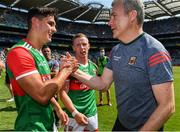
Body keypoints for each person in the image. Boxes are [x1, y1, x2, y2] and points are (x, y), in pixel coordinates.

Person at [71, 0, 175, 131]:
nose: (109, 22)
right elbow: (102, 84)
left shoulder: (154, 51)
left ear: (132, 16)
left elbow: (167, 106)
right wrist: (74, 70)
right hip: (121, 123)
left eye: (114, 16)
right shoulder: (116, 50)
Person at [6, 7, 77, 131]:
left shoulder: (39, 53)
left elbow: (46, 86)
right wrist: (66, 71)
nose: (54, 29)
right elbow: (42, 94)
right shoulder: (19, 52)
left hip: (47, 123)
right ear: (35, 22)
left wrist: (57, 108)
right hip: (32, 127)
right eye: (50, 23)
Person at [59, 33, 98, 131]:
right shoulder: (69, 67)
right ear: (73, 48)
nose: (82, 47)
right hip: (74, 117)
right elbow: (62, 93)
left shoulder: (93, 67)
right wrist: (75, 113)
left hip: (92, 115)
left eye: (84, 44)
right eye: (78, 45)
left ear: (89, 46)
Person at [42, 45, 62, 127]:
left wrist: (43, 74)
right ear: (42, 52)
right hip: (42, 87)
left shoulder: (54, 62)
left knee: (55, 105)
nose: (46, 52)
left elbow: (56, 73)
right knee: (44, 106)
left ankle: (57, 121)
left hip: (53, 87)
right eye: (45, 51)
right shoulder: (40, 62)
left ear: (50, 52)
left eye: (48, 51)